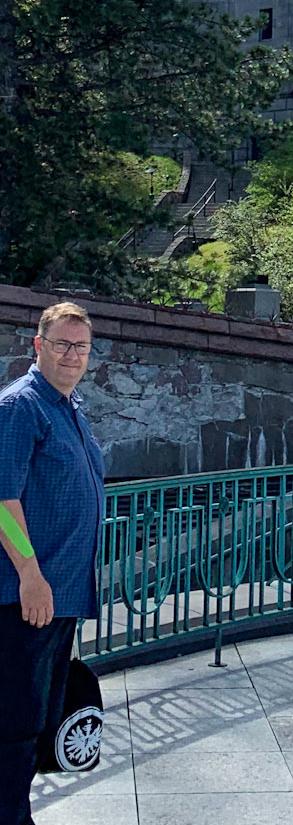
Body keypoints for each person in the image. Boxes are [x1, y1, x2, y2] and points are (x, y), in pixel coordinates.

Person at [0, 303, 105, 825]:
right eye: (61, 344)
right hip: (26, 599)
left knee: (39, 722)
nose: (71, 355)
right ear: (38, 346)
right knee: (15, 726)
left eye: (80, 347)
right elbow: (3, 500)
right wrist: (30, 574)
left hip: (59, 598)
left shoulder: (68, 407)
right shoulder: (21, 406)